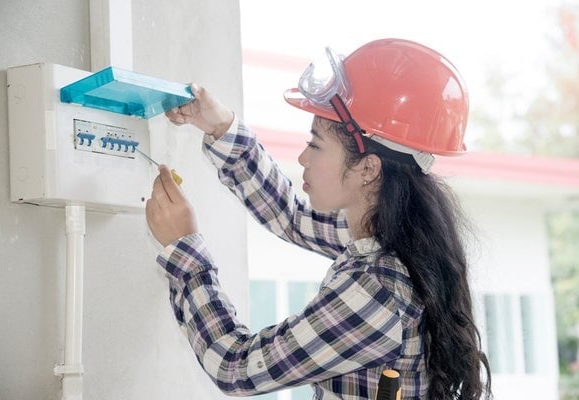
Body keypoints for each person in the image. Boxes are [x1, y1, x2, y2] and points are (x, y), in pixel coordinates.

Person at [146, 38, 492, 400]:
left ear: (368, 169)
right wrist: (220, 126)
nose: (302, 158)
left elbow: (236, 366)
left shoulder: (379, 292)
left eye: (315, 144)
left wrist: (186, 252)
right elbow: (292, 217)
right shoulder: (392, 240)